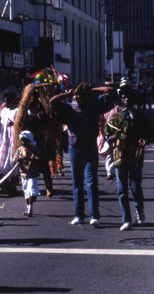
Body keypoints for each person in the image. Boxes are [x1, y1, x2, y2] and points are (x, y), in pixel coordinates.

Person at [50, 82, 114, 225]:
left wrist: (79, 92)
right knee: (81, 182)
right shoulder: (76, 107)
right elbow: (52, 101)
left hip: (86, 148)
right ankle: (81, 215)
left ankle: (92, 216)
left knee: (88, 182)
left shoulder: (91, 106)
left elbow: (110, 90)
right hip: (77, 149)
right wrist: (74, 93)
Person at [105, 80, 152, 231]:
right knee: (121, 188)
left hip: (136, 155)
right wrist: (115, 136)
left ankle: (139, 210)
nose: (127, 99)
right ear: (121, 99)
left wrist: (145, 139)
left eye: (129, 96)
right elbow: (108, 137)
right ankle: (126, 219)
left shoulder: (141, 117)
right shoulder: (115, 118)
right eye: (124, 97)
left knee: (135, 187)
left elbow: (149, 134)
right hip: (120, 155)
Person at [0, 86, 19, 196]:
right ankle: (4, 184)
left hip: (13, 140)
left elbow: (21, 125)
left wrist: (14, 125)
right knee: (2, 161)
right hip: (3, 140)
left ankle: (12, 185)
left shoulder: (18, 111)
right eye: (4, 100)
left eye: (7, 100)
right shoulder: (4, 111)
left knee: (12, 162)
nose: (5, 102)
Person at [13, 131, 40, 217]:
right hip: (24, 174)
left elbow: (38, 158)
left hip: (32, 173)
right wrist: (18, 158)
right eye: (22, 141)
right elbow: (15, 158)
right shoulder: (19, 150)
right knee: (26, 192)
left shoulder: (35, 149)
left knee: (31, 191)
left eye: (25, 140)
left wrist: (30, 158)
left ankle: (30, 208)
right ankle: (28, 207)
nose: (23, 142)